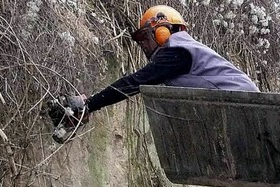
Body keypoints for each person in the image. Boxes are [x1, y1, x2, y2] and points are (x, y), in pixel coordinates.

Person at [50, 5, 258, 129]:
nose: (142, 45)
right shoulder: (188, 51)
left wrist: (89, 105)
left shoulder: (178, 51)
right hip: (242, 104)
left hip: (243, 104)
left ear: (162, 31)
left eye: (145, 37)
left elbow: (135, 82)